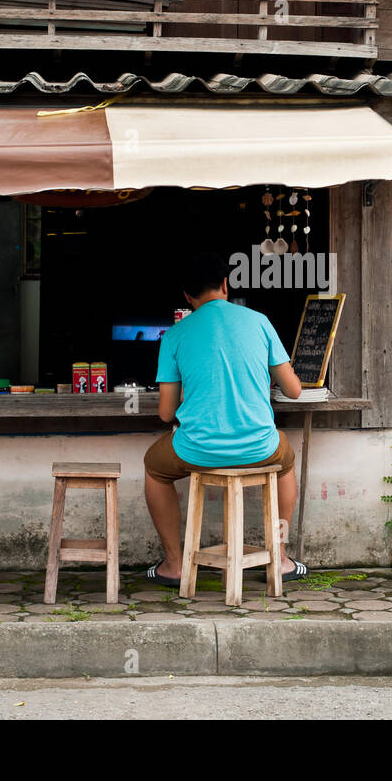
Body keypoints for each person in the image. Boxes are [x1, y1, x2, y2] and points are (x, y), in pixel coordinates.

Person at [142, 251, 307, 585]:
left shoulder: (174, 334)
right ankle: (281, 558)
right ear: (225, 284)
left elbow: (165, 413)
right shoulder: (259, 321)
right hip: (260, 448)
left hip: (196, 450)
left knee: (154, 468)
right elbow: (294, 390)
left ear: (187, 296)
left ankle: (174, 565)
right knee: (285, 464)